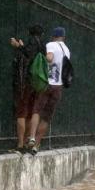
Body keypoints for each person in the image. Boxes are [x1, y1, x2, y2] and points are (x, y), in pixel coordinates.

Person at [27, 27, 71, 155]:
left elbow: (50, 58)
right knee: (46, 117)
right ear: (63, 37)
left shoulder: (51, 45)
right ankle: (36, 146)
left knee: (36, 110)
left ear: (53, 36)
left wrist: (43, 57)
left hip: (47, 84)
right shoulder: (67, 50)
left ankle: (31, 137)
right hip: (58, 87)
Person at [10, 25, 46, 154]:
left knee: (21, 112)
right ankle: (27, 141)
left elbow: (28, 54)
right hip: (38, 83)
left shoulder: (32, 42)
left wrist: (18, 46)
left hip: (27, 82)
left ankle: (20, 144)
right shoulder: (43, 45)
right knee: (31, 112)